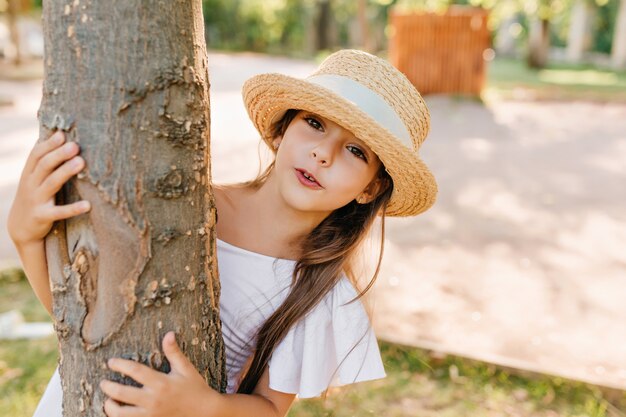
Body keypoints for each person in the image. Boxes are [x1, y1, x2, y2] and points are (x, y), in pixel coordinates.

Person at [7, 49, 437, 417]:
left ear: (371, 188)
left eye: (356, 151)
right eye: (316, 123)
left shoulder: (317, 286)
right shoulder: (189, 207)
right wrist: (25, 234)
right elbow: (82, 319)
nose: (322, 153)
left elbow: (269, 407)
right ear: (283, 127)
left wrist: (204, 406)